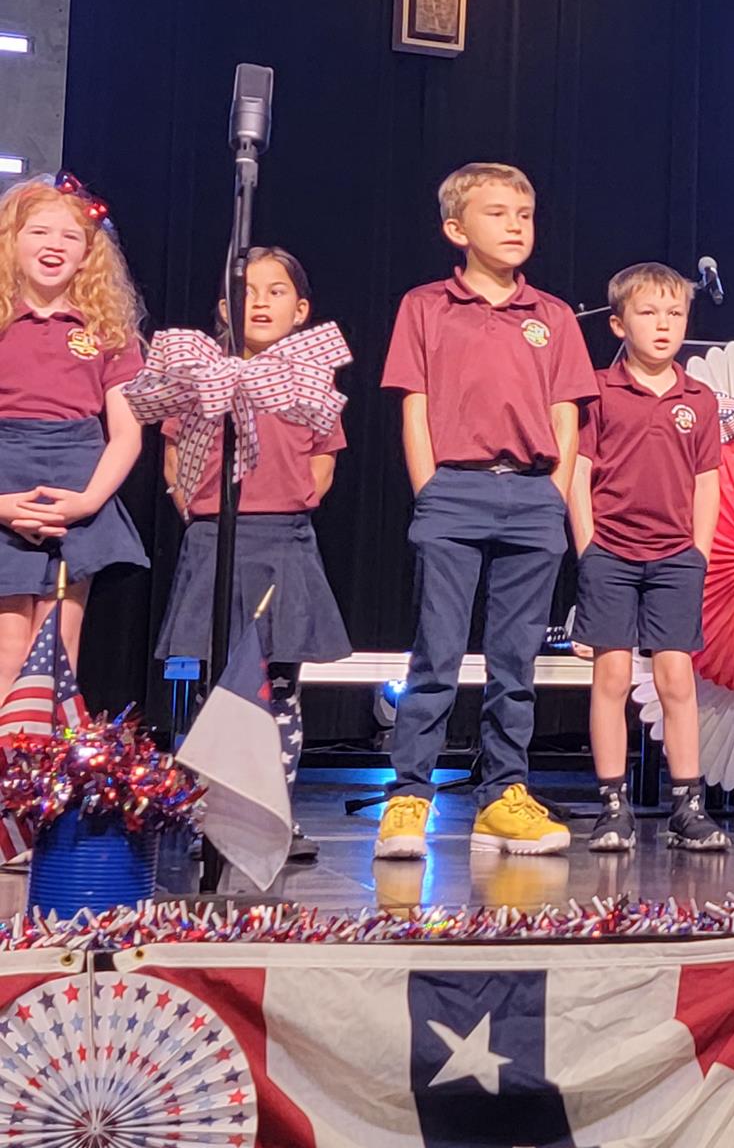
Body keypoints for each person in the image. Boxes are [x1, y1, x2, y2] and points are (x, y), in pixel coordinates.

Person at [374, 163, 597, 860]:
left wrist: (553, 493)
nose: (515, 226)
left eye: (524, 215)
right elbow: (414, 406)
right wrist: (429, 488)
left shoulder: (552, 316)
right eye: (497, 214)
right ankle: (409, 797)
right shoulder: (426, 306)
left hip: (530, 496)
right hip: (455, 489)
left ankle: (503, 795)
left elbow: (566, 415)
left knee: (515, 662)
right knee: (436, 654)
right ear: (456, 229)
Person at [152, 248, 351, 863]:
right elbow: (175, 455)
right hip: (216, 539)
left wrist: (298, 495)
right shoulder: (200, 377)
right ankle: (207, 814)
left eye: (275, 291)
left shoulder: (309, 380)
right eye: (245, 292)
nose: (259, 302)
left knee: (279, 686)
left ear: (301, 309)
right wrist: (191, 502)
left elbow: (324, 456)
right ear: (223, 308)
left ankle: (273, 816)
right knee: (215, 685)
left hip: (283, 541)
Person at [568, 261, 727, 854]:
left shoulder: (698, 399)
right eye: (649, 313)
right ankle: (613, 805)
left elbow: (707, 480)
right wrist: (587, 546)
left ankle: (688, 805)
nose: (663, 325)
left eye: (675, 313)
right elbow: (578, 472)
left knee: (675, 677)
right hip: (610, 553)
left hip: (675, 558)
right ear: (618, 324)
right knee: (611, 675)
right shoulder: (599, 391)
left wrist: (698, 551)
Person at [0, 175, 147, 691]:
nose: (54, 245)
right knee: (8, 644)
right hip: (5, 480)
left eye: (69, 236)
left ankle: (44, 743)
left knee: (57, 645)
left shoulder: (107, 329)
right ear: (11, 240)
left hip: (77, 483)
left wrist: (86, 502)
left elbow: (126, 433)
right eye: (40, 232)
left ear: (88, 253)